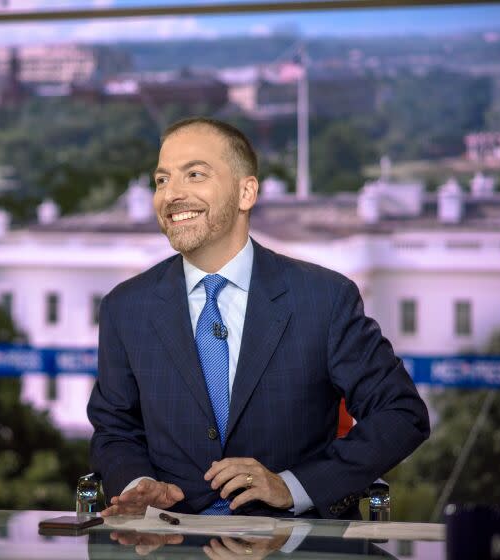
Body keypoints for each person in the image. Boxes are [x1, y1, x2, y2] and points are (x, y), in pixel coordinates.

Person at [86, 117, 430, 519]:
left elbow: (401, 414)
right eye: (161, 181)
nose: (172, 194)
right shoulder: (126, 308)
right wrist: (136, 484)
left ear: (246, 192)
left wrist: (295, 485)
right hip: (171, 540)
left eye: (194, 174)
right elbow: (114, 431)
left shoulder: (324, 299)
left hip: (294, 544)